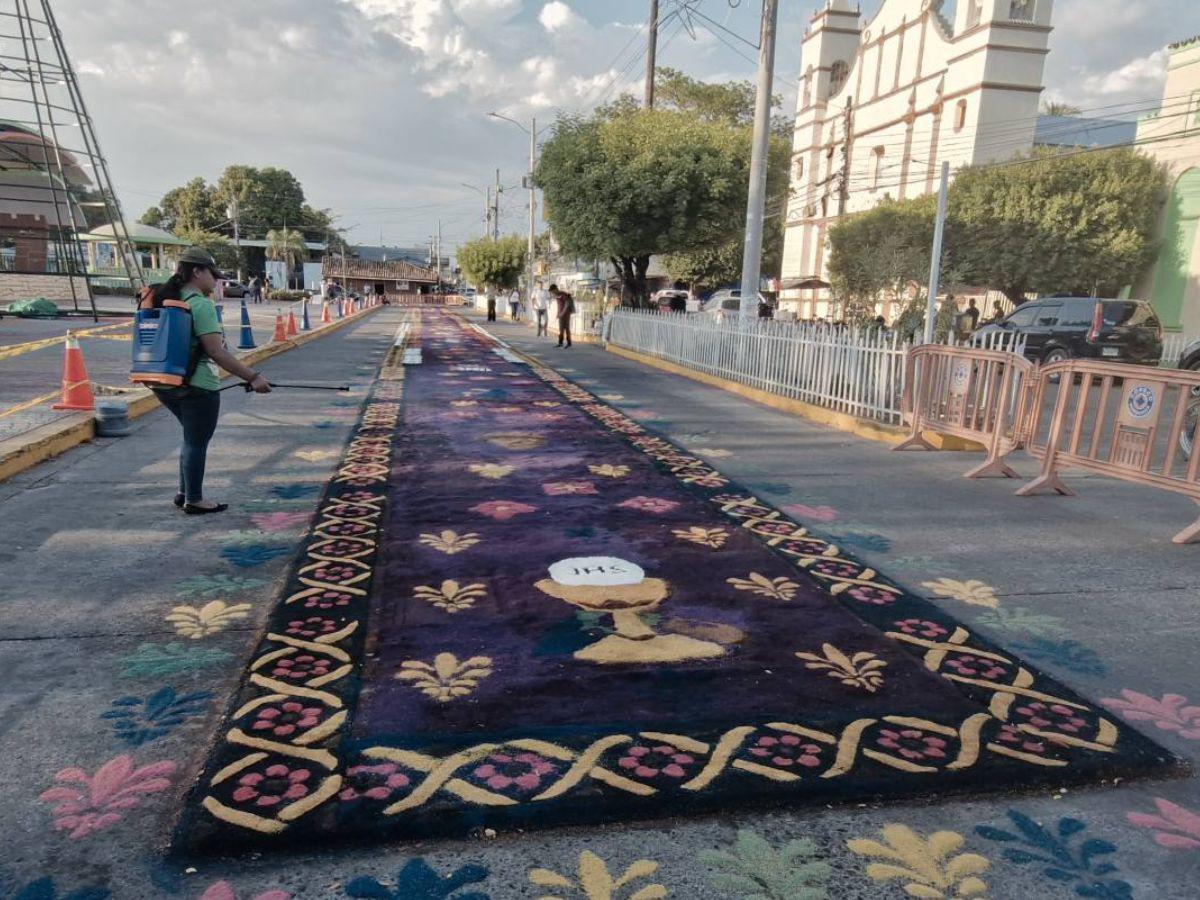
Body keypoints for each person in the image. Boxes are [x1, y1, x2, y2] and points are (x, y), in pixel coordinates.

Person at [149, 247, 271, 515]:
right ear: (197, 272)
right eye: (213, 275)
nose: (216, 281)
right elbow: (216, 352)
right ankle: (194, 499)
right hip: (197, 385)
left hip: (163, 382)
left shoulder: (163, 297)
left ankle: (184, 492)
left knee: (190, 437)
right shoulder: (201, 305)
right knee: (196, 441)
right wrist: (253, 377)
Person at [552, 284, 575, 348]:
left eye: (552, 292)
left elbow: (567, 304)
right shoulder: (557, 296)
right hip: (561, 315)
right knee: (561, 329)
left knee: (567, 328)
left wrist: (562, 313)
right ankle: (560, 343)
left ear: (555, 290)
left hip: (566, 314)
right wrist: (558, 314)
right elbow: (559, 306)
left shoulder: (563, 294)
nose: (552, 293)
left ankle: (569, 343)